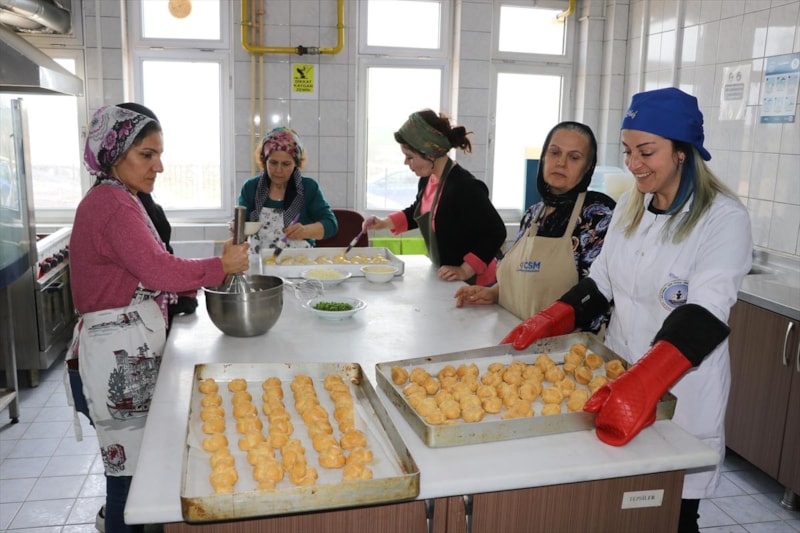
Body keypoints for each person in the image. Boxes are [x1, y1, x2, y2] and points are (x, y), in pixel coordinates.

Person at [500, 88, 753, 532]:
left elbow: (705, 313)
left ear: (682, 151)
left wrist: (644, 382)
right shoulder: (631, 208)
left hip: (682, 392)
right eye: (628, 151)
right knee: (617, 510)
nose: (633, 163)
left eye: (646, 152)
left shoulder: (722, 218)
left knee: (669, 515)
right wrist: (550, 319)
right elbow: (600, 285)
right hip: (616, 378)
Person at [67, 103, 250, 533]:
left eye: (159, 155)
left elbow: (148, 270)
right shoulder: (112, 205)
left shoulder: (120, 197)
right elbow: (157, 270)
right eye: (147, 155)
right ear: (116, 154)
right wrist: (220, 266)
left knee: (133, 480)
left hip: (118, 352)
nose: (159, 167)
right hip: (114, 363)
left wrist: (198, 278)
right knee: (127, 487)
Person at [454, 121, 615, 321]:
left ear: (588, 166)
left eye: (574, 157)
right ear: (543, 157)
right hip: (514, 332)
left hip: (562, 340)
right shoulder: (533, 214)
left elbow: (596, 296)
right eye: (554, 153)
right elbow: (525, 278)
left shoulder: (598, 215)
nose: (561, 162)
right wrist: (494, 293)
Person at [363, 110, 506, 286]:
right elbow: (419, 212)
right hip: (449, 277)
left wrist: (464, 269)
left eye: (410, 157)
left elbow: (496, 232)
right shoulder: (428, 180)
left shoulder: (465, 187)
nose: (406, 163)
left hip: (477, 282)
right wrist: (383, 223)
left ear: (429, 154)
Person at [238, 126, 337, 257]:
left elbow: (331, 225)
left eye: (286, 164)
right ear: (264, 160)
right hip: (259, 262)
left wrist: (305, 231)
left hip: (299, 263)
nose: (278, 170)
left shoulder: (308, 188)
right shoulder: (251, 187)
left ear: (296, 163)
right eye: (273, 163)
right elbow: (240, 227)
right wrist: (236, 228)